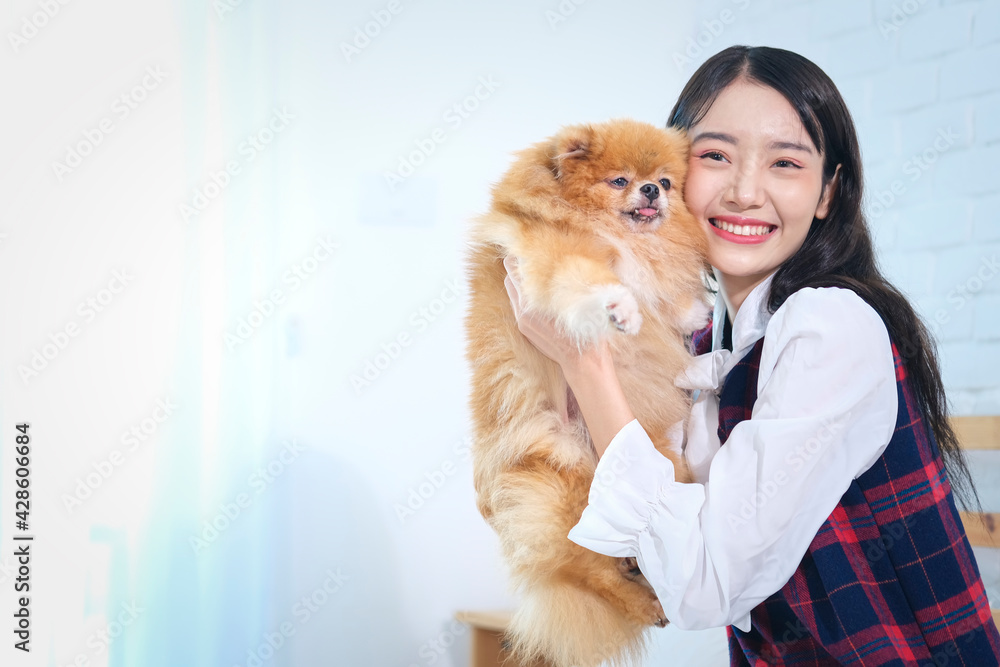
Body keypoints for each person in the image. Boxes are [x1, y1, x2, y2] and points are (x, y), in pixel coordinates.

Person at [502, 45, 1000, 665]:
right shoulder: (714, 344)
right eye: (715, 156)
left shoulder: (830, 326)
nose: (743, 191)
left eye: (786, 163)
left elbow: (705, 586)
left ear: (827, 193)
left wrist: (585, 364)